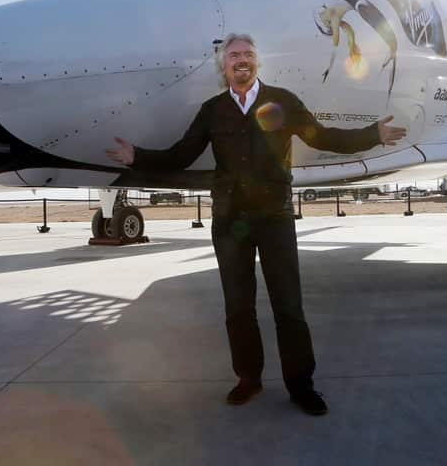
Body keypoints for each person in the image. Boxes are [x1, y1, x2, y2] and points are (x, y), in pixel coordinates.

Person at [106, 33, 406, 416]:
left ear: (257, 62)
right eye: (234, 55)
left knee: (289, 306)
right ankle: (248, 379)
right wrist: (137, 157)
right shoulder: (212, 111)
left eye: (247, 54)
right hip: (231, 222)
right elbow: (181, 155)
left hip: (275, 217)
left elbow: (324, 136)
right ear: (224, 65)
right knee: (238, 306)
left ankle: (301, 385)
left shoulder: (282, 101)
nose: (241, 60)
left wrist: (371, 135)